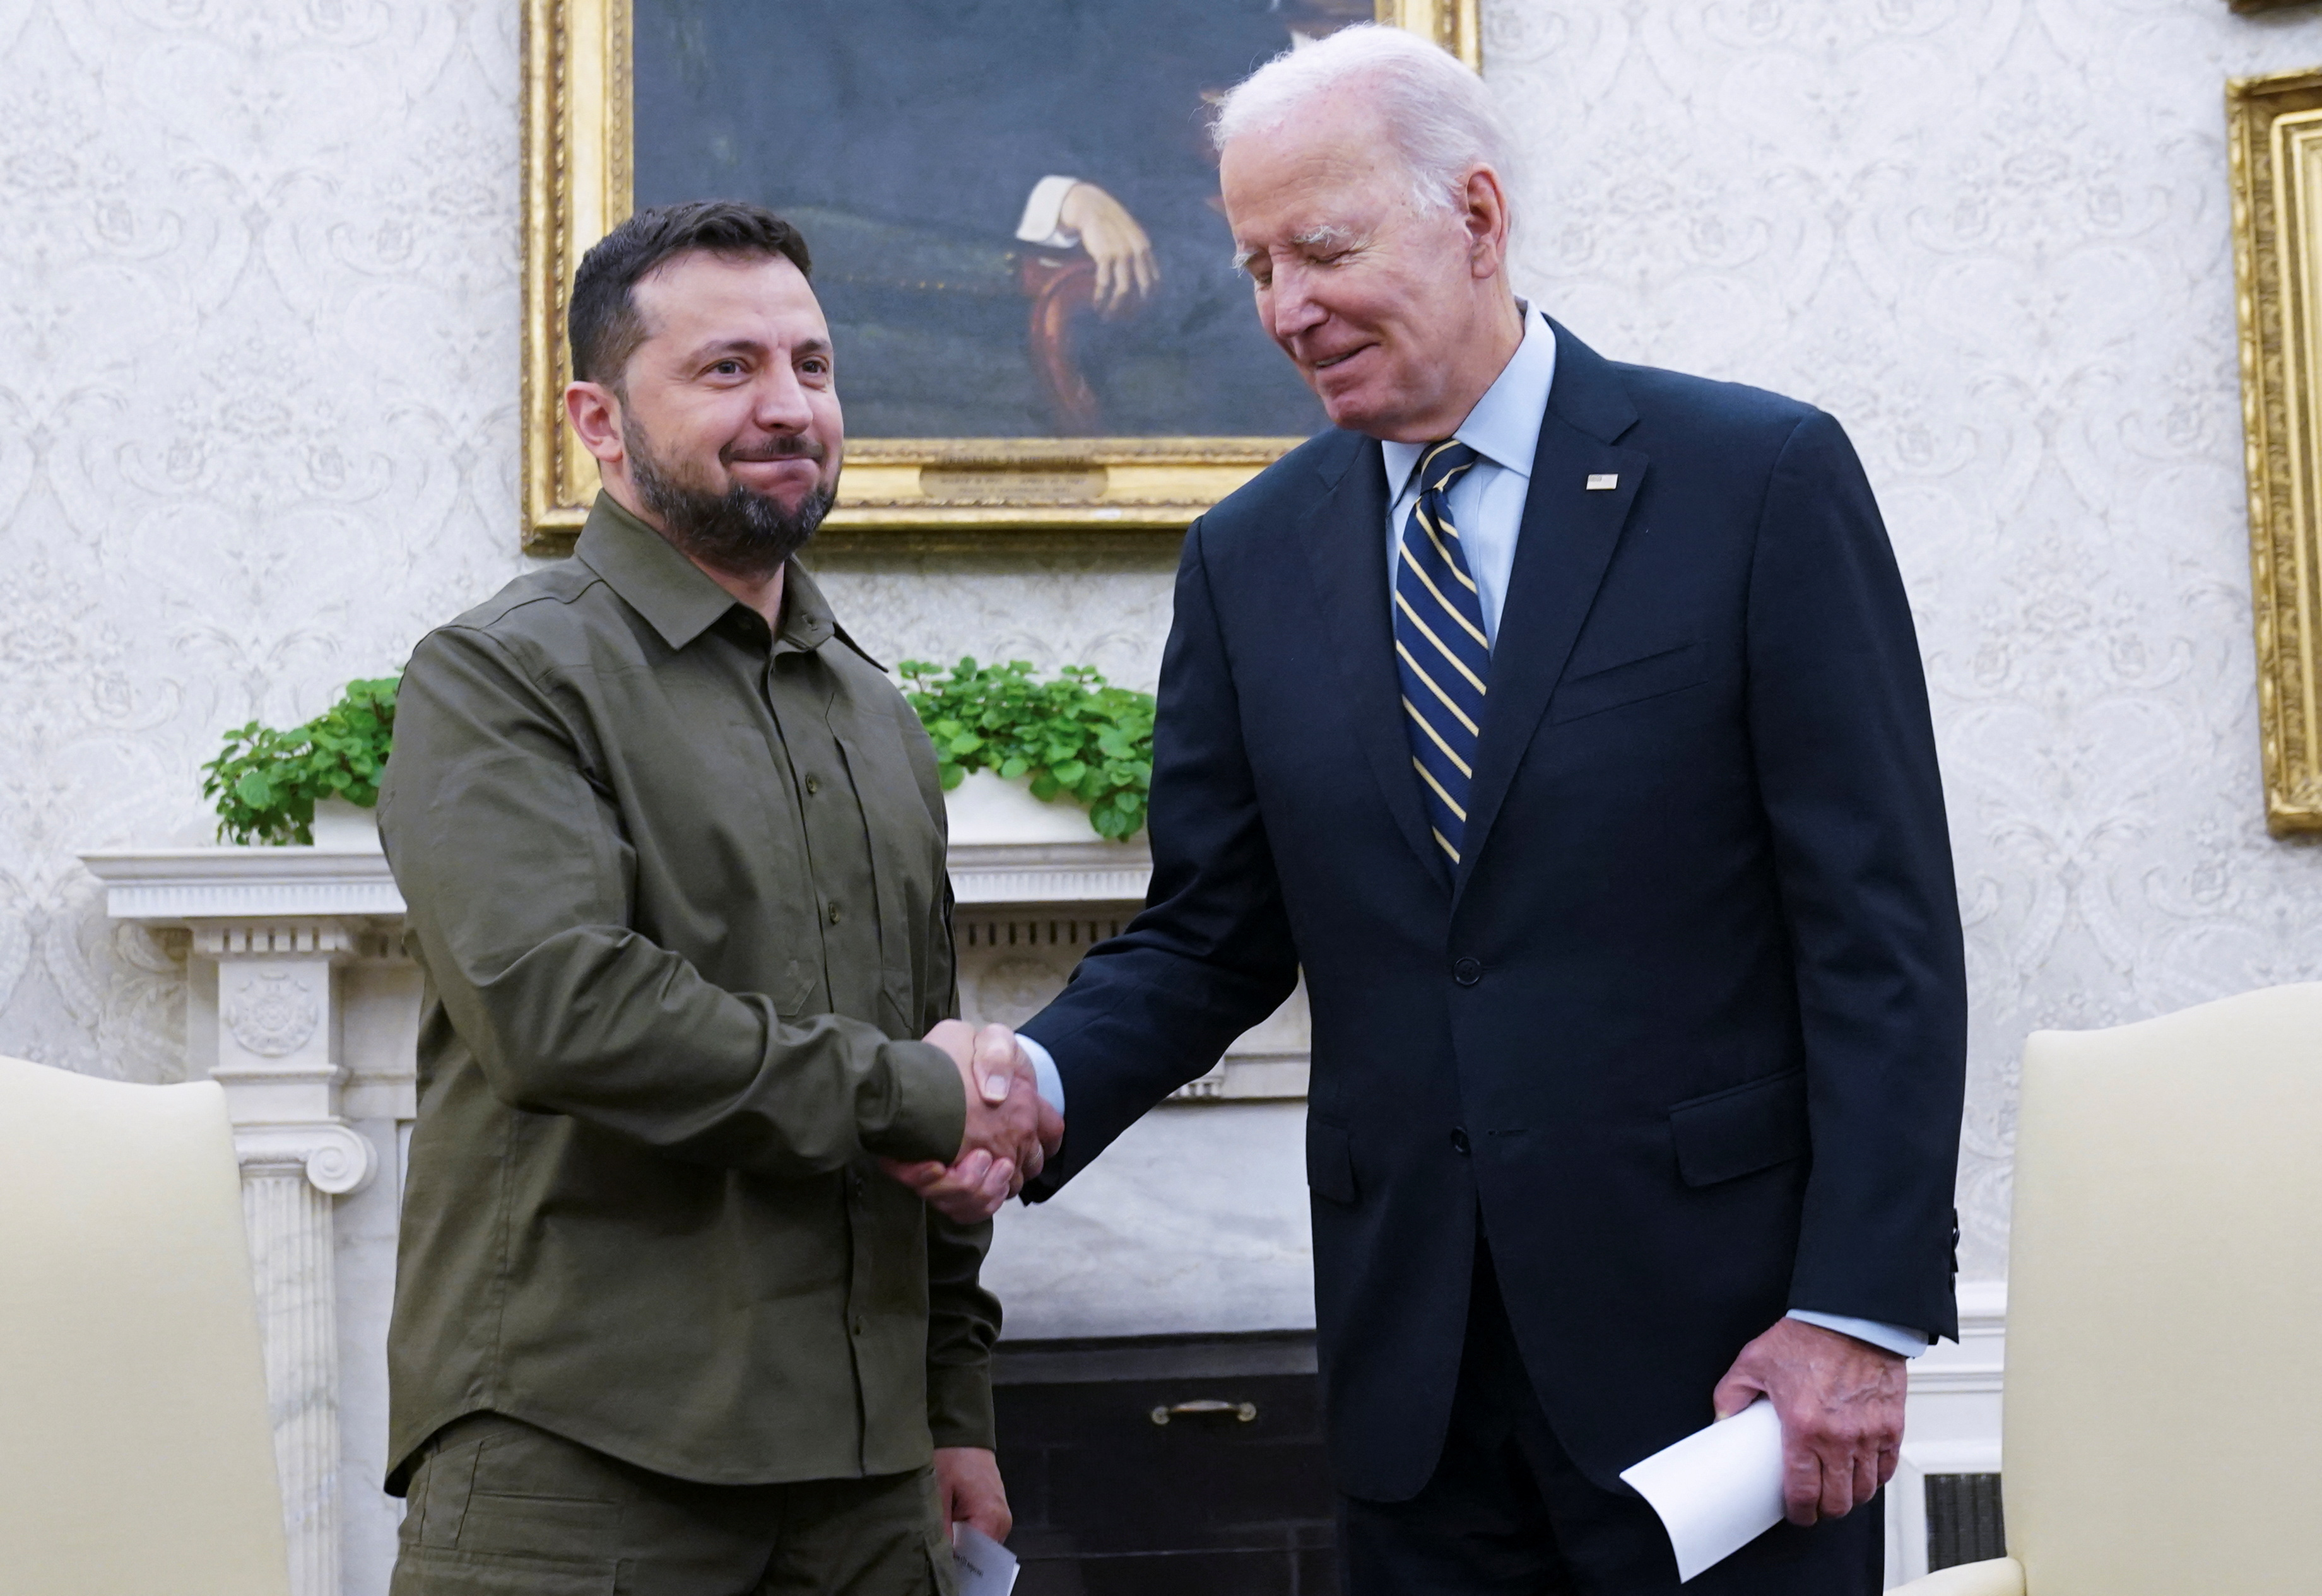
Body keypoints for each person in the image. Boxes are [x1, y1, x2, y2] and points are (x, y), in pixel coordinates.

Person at [902, 24, 1968, 1594]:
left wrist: (1856, 1316)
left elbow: (1882, 936)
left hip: (1729, 1374)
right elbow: (1210, 934)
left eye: (1321, 249)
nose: (1281, 309)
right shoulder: (1249, 558)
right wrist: (1037, 1082)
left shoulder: (1753, 480)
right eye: (1256, 263)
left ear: (1475, 217)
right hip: (1417, 1389)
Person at [376, 200, 1057, 1595]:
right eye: (728, 366)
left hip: (873, 1485)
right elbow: (563, 1009)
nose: (789, 406)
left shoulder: (876, 712)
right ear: (598, 417)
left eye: (811, 365)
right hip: (581, 1464)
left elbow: (918, 1043)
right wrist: (929, 1094)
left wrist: (951, 1398)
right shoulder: (501, 677)